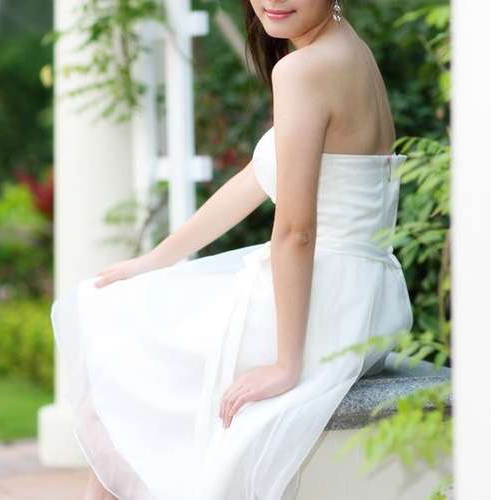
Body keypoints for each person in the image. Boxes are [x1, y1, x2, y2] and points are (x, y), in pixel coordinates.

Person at [50, 1, 414, 499]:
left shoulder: (303, 69)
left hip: (320, 306)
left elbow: (296, 231)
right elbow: (255, 181)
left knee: (120, 362)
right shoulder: (347, 49)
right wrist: (156, 260)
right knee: (124, 388)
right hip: (364, 298)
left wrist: (286, 365)